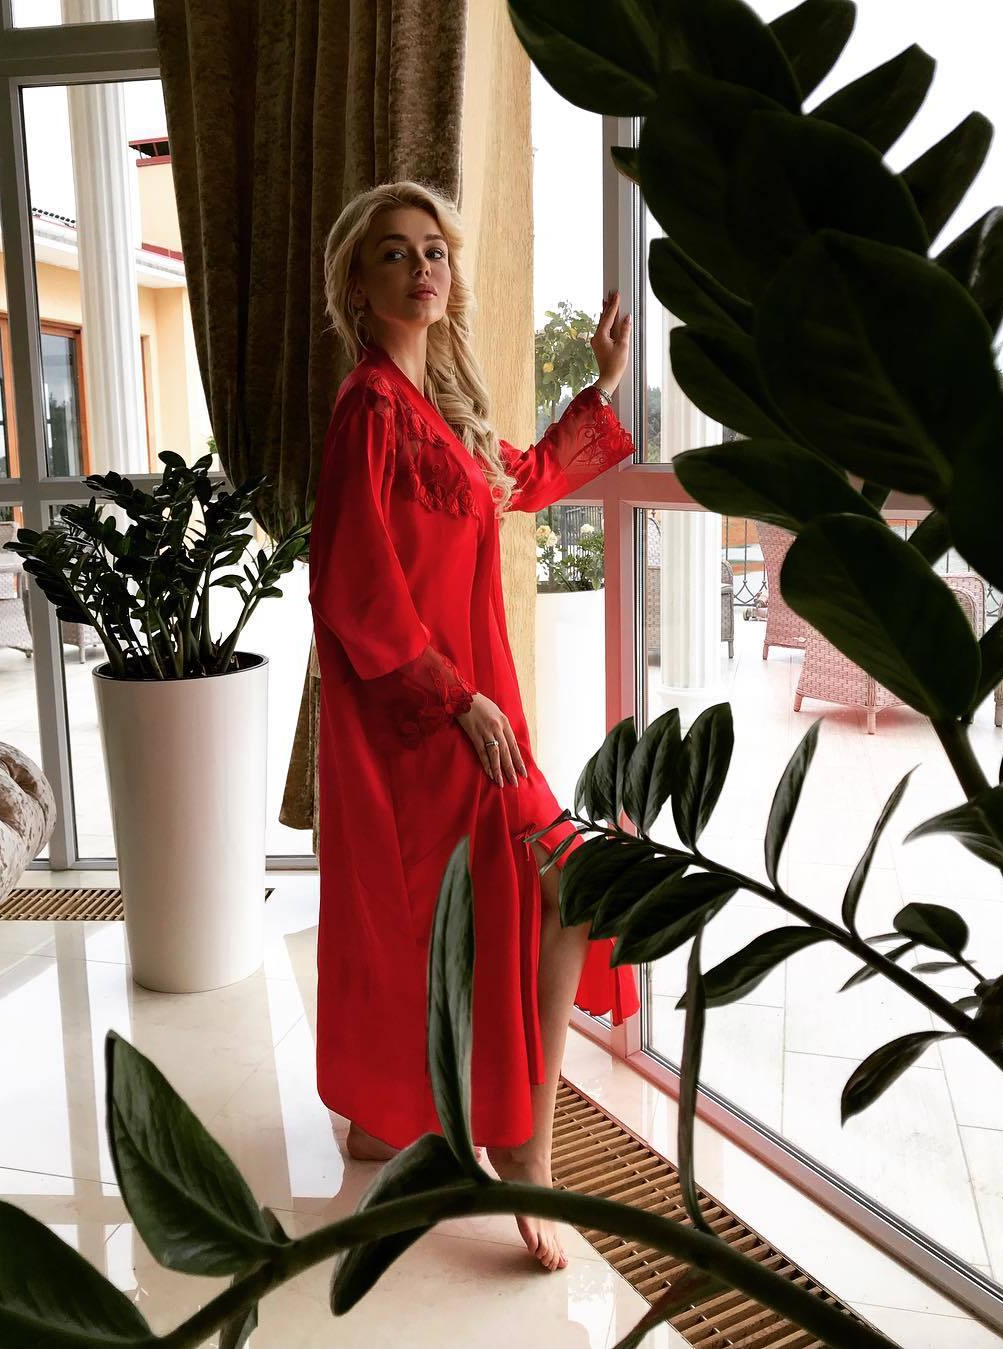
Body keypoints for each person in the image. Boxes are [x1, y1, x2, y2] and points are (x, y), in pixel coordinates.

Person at [308, 179, 639, 1273]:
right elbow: (354, 587)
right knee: (534, 892)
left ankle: (413, 1118)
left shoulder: (437, 411)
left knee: (513, 902)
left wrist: (602, 385)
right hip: (429, 720)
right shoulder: (367, 408)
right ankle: (522, 1149)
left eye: (434, 250)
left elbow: (524, 481)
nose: (423, 267)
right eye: (395, 253)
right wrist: (457, 698)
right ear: (358, 286)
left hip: (465, 711)